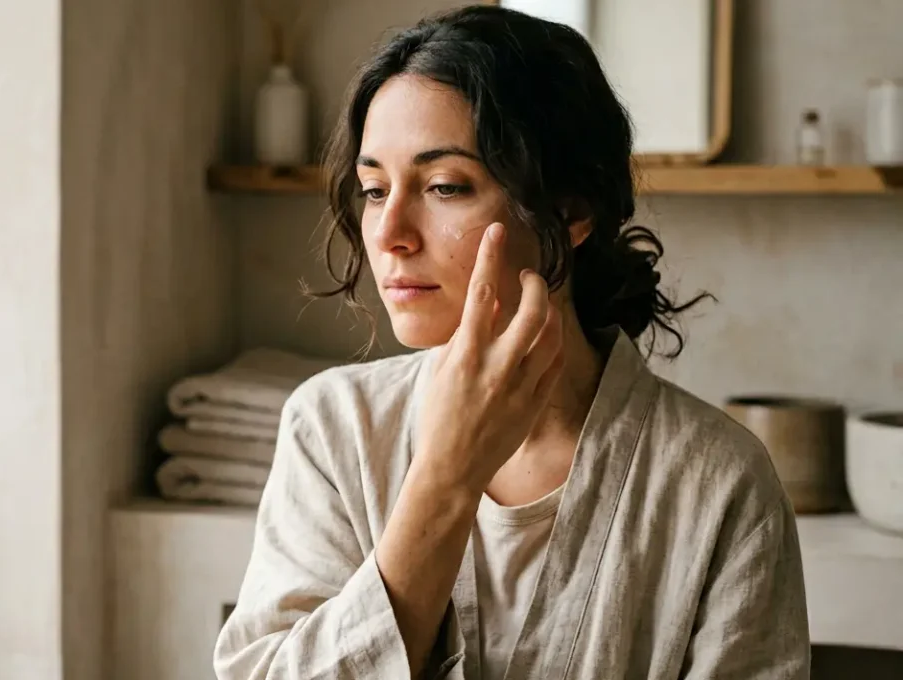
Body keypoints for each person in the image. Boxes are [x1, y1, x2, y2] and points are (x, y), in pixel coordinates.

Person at [213, 5, 810, 680]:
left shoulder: (719, 481)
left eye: (444, 187)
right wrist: (445, 477)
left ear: (571, 211)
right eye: (374, 189)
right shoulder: (332, 428)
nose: (389, 234)